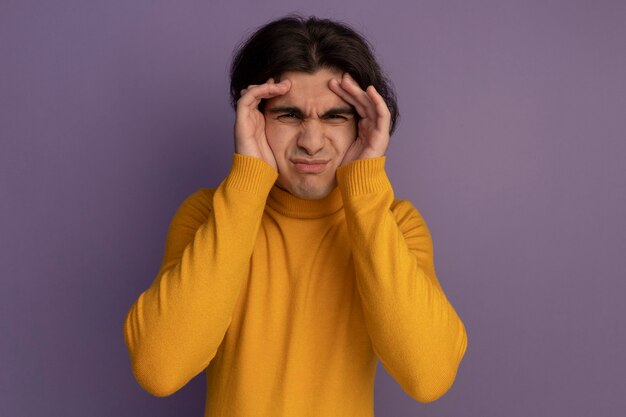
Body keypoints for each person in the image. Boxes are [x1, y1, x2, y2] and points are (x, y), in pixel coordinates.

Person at [123, 15, 467, 416]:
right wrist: (247, 181)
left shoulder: (396, 223)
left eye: (335, 116)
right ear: (254, 117)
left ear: (365, 123)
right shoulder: (206, 214)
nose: (311, 142)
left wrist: (367, 187)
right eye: (289, 114)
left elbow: (429, 376)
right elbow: (159, 369)